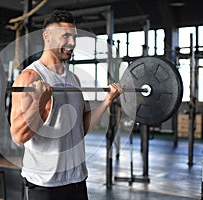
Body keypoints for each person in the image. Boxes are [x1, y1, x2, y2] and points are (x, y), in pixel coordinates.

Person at [10, 10, 122, 200]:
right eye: (65, 36)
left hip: (77, 180)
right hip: (46, 184)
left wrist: (106, 102)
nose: (72, 43)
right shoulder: (30, 77)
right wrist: (39, 101)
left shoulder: (74, 80)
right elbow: (18, 136)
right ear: (47, 37)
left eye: (74, 37)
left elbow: (82, 127)